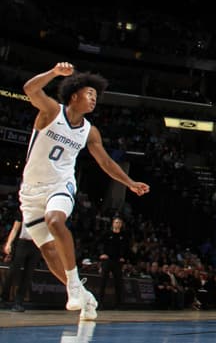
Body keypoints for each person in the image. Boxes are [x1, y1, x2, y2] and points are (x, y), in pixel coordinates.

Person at [19, 62, 150, 320]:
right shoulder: (51, 112)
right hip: (30, 191)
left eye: (96, 97)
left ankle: (74, 288)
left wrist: (129, 182)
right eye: (90, 94)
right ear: (74, 95)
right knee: (47, 250)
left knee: (55, 221)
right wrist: (54, 73)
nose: (94, 100)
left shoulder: (90, 131)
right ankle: (81, 292)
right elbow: (29, 89)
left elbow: (105, 163)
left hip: (61, 185)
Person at [2, 210, 42, 312]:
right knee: (13, 270)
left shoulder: (44, 213)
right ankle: (3, 297)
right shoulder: (24, 210)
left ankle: (18, 302)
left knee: (28, 274)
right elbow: (15, 229)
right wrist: (9, 243)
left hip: (37, 245)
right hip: (22, 243)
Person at [98, 216, 128, 309]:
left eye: (119, 222)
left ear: (121, 224)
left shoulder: (124, 235)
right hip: (107, 260)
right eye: (116, 222)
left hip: (118, 262)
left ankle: (118, 304)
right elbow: (98, 243)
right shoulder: (107, 234)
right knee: (103, 281)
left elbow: (127, 248)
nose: (117, 224)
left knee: (118, 283)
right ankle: (100, 303)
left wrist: (124, 258)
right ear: (113, 224)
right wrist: (101, 254)